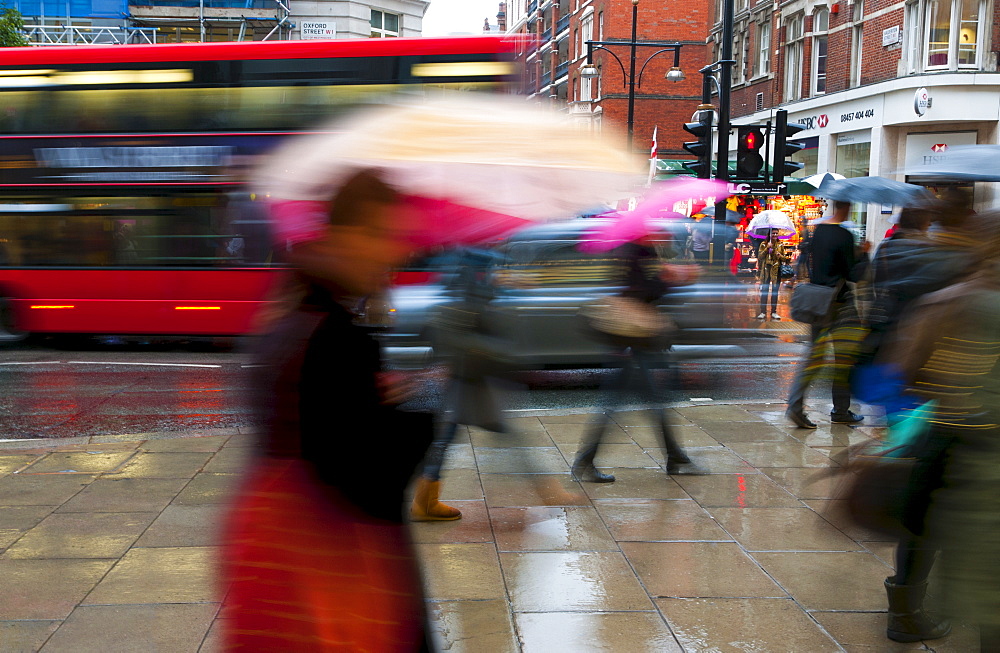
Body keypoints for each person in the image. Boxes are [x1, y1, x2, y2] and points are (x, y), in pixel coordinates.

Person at [220, 169, 434, 651]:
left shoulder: (294, 312)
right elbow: (368, 484)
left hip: (272, 549)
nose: (396, 252)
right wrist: (422, 410)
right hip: (328, 567)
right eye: (385, 235)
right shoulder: (338, 338)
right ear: (348, 233)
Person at [574, 240, 706, 481]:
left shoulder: (640, 250)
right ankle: (585, 462)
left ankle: (675, 456)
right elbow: (638, 292)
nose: (661, 232)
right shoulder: (634, 251)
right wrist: (670, 278)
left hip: (634, 343)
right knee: (622, 404)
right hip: (630, 342)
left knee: (651, 402)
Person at [785, 200, 870, 429]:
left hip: (818, 303)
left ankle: (795, 406)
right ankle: (841, 410)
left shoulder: (818, 231)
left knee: (814, 358)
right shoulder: (844, 236)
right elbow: (854, 274)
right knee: (844, 359)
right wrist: (863, 254)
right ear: (847, 208)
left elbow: (812, 264)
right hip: (840, 304)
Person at [756, 230, 789, 320]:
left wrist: (779, 255)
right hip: (766, 271)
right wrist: (767, 248)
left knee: (775, 292)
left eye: (776, 233)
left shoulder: (780, 245)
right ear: (769, 234)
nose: (774, 235)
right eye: (773, 233)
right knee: (764, 291)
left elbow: (784, 258)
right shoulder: (763, 244)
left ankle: (773, 312)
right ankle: (763, 312)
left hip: (776, 270)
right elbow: (760, 256)